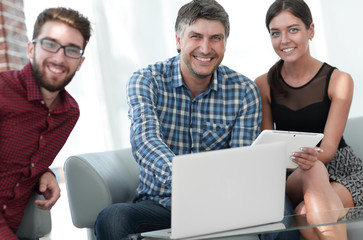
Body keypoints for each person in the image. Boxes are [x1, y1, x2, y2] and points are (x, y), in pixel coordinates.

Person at [94, 1, 299, 240]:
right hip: (163, 205)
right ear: (179, 40)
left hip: (226, 206)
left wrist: (221, 193)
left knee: (280, 214)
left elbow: (241, 160)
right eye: (196, 36)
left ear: (225, 43)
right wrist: (189, 183)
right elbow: (145, 140)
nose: (206, 48)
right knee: (112, 218)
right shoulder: (146, 81)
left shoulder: (243, 90)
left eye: (215, 38)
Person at [255, 0, 363, 239]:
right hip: (292, 175)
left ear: (310, 30)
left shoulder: (339, 80)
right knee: (311, 168)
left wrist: (311, 159)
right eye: (276, 33)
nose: (284, 40)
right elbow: (267, 150)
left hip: (341, 171)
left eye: (293, 29)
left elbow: (328, 149)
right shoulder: (263, 85)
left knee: (306, 213)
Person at [0, 7, 91, 239]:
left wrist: (44, 171)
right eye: (50, 44)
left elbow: (21, 160)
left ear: (80, 62)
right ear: (31, 49)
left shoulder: (68, 114)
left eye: (71, 50)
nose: (59, 58)